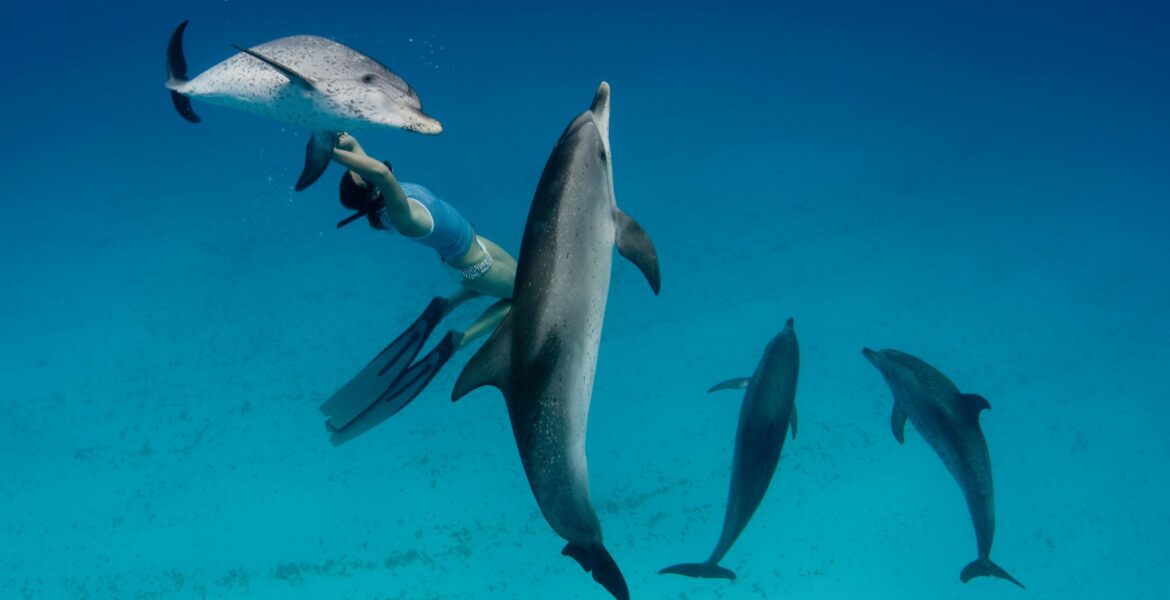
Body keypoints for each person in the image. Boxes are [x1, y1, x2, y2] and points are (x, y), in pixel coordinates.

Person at [319, 133, 516, 445]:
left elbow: (373, 167)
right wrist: (331, 155)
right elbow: (380, 173)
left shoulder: (383, 195)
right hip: (474, 263)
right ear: (372, 188)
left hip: (471, 246)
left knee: (518, 275)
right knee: (521, 297)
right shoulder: (400, 214)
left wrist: (344, 140)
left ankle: (448, 305)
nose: (375, 165)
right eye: (365, 170)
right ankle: (461, 339)